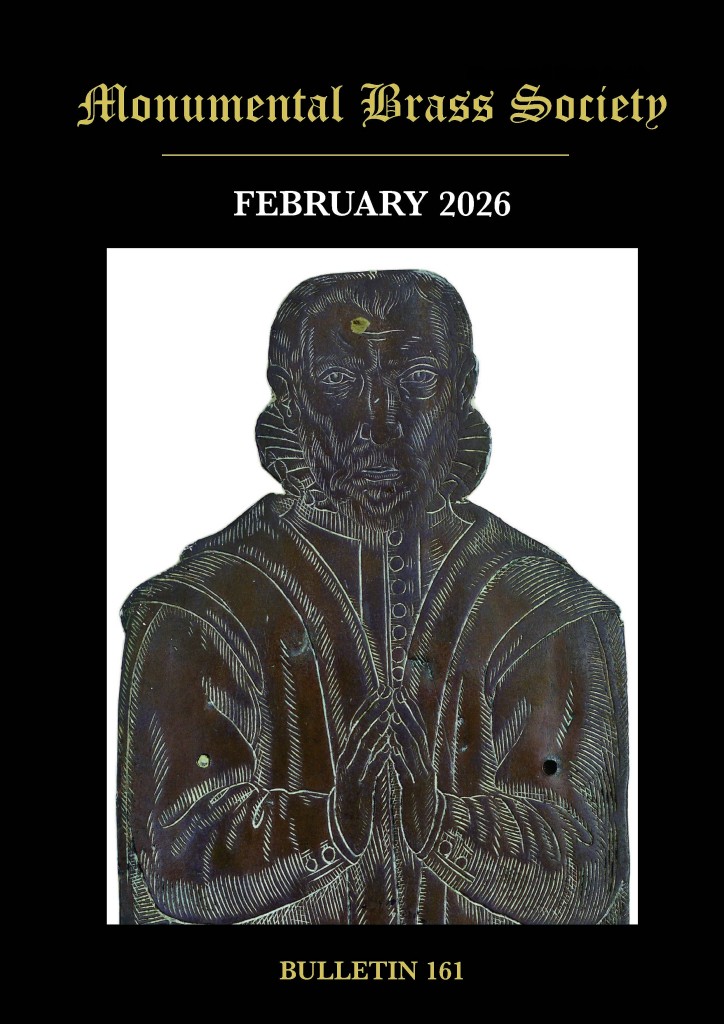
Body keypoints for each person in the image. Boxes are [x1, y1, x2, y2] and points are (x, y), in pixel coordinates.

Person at [117, 269, 629, 925]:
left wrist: (441, 825)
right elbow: (169, 863)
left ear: (460, 394)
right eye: (339, 381)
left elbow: (589, 874)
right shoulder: (201, 608)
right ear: (291, 399)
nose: (380, 420)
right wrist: (331, 823)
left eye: (417, 380)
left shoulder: (547, 608)